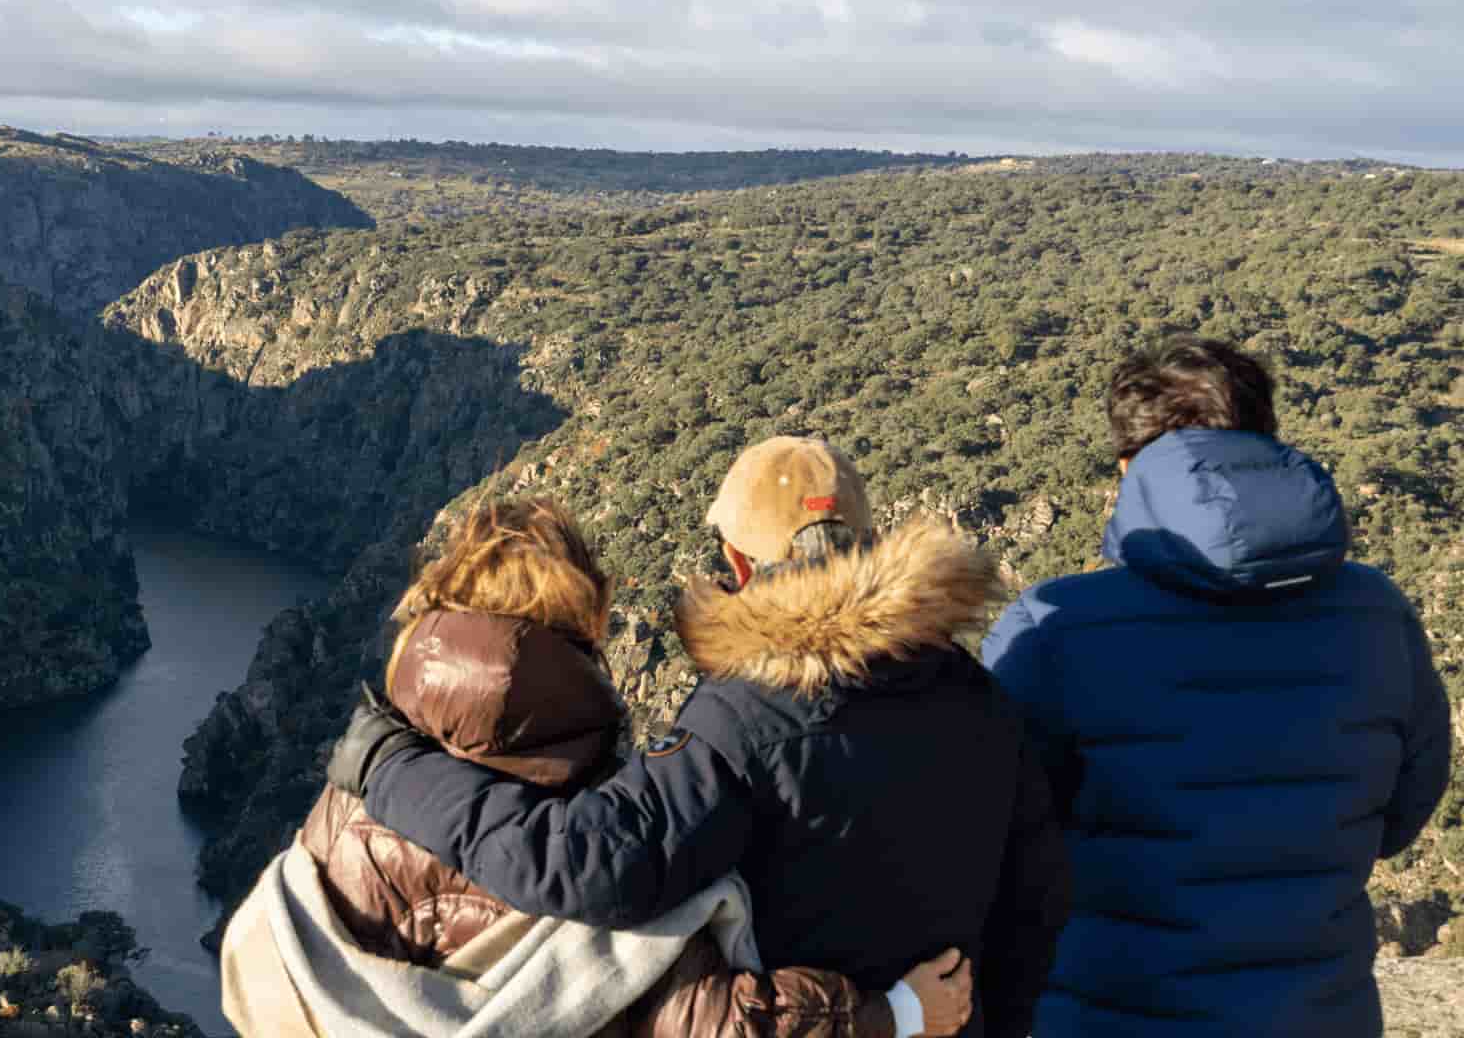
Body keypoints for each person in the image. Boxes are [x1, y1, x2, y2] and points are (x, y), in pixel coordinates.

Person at [331, 441, 1069, 1038]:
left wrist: (390, 765)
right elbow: (1032, 911)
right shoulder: (982, 703)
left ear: (740, 564)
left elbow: (590, 867)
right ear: (871, 543)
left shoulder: (747, 719)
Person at [224, 495, 973, 1037]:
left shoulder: (358, 781)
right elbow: (710, 1026)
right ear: (583, 620)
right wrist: (892, 1014)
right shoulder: (602, 819)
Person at [980, 336, 1453, 1037]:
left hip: (1111, 1014)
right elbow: (1405, 810)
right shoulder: (1378, 613)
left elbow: (994, 831)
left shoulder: (1054, 626)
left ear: (1127, 467)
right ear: (1265, 442)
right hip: (1320, 1016)